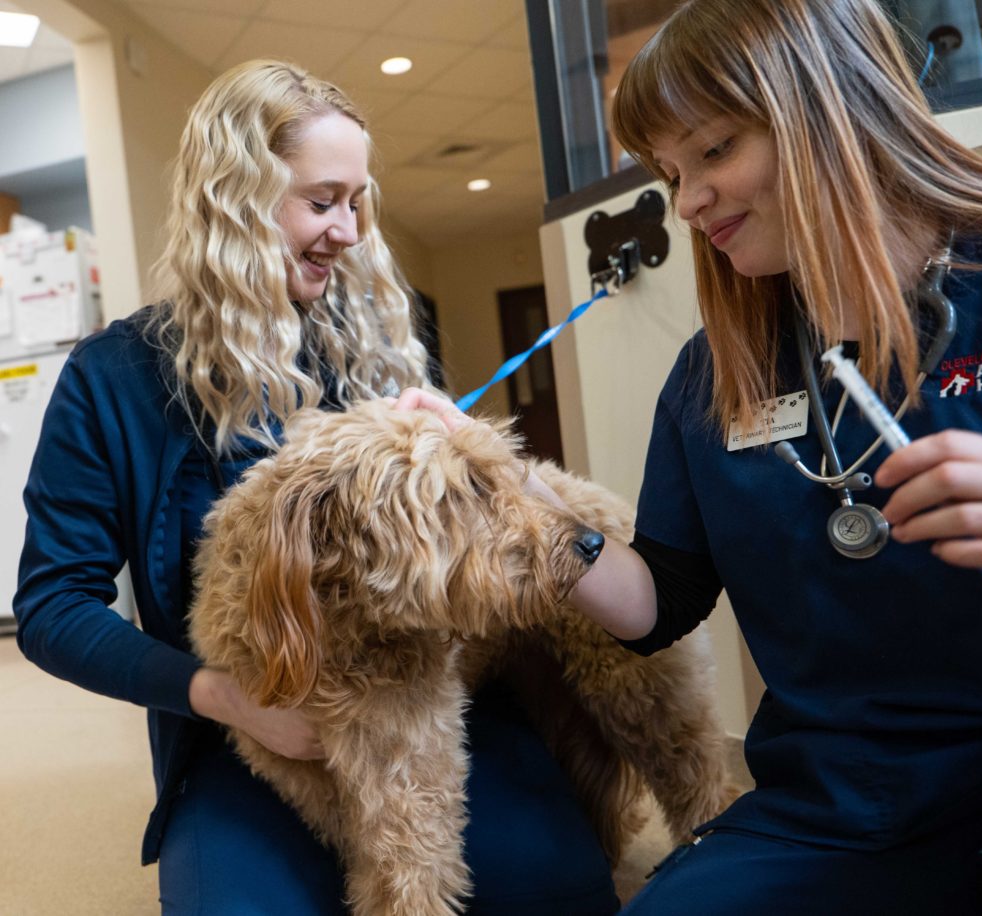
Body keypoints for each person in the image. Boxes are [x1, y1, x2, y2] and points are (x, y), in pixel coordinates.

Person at [395, 0, 982, 912]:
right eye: (670, 172)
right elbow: (658, 603)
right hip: (846, 793)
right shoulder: (711, 375)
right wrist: (514, 485)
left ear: (829, 107)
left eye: (715, 152)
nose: (687, 202)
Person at [14, 59, 620, 915]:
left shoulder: (371, 353)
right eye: (322, 201)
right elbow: (50, 606)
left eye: (357, 202)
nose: (349, 230)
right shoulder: (111, 379)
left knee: (556, 884)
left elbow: (466, 559)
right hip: (243, 734)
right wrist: (229, 700)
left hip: (415, 709)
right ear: (234, 200)